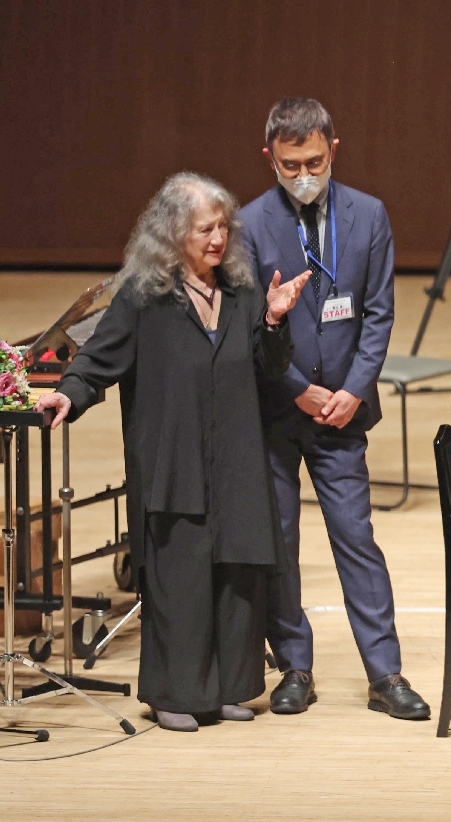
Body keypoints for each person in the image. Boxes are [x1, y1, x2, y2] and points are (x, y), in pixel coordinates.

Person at [35, 173, 307, 732]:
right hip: (172, 461)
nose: (218, 239)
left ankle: (230, 687)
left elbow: (267, 365)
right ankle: (173, 693)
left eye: (223, 227)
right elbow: (99, 357)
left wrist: (276, 319)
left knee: (235, 579)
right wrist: (69, 393)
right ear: (172, 234)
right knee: (180, 580)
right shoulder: (143, 298)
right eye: (204, 229)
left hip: (233, 459)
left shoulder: (242, 289)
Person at [239, 97, 430, 719]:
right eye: (290, 164)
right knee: (283, 541)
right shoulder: (248, 223)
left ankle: (386, 674)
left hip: (343, 410)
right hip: (277, 408)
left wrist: (353, 389)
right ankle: (295, 665)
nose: (303, 174)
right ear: (270, 158)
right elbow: (250, 324)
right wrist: (297, 386)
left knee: (356, 538)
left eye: (314, 161)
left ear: (333, 151)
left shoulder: (368, 215)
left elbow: (378, 313)